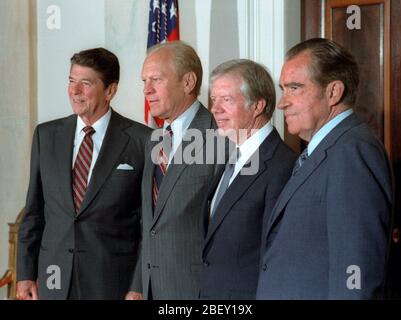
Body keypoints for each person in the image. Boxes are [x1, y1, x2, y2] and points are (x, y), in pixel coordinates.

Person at [256, 38, 393, 299]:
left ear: (333, 92)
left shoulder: (352, 152)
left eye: (294, 88)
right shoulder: (323, 148)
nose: (282, 102)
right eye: (283, 89)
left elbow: (357, 271)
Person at [16, 48, 151, 300]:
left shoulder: (141, 141)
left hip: (111, 283)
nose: (74, 91)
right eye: (71, 81)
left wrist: (138, 285)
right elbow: (34, 212)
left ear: (110, 90)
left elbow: (148, 226)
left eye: (85, 83)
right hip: (53, 279)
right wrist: (25, 274)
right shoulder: (46, 135)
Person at [127, 41, 224, 300]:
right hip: (150, 288)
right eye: (144, 81)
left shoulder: (221, 135)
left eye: (156, 79)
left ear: (188, 82)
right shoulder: (155, 137)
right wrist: (138, 285)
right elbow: (150, 224)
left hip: (197, 290)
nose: (146, 90)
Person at [199, 59, 296, 299]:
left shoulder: (282, 166)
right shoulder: (229, 155)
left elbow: (276, 258)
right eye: (214, 100)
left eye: (227, 100)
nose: (215, 109)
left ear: (258, 106)